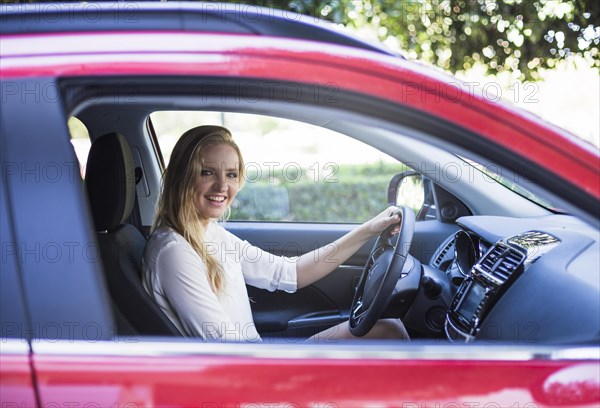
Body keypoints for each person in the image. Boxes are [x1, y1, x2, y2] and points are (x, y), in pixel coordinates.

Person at [142, 125, 409, 342]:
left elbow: (289, 273)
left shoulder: (210, 233)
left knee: (389, 329)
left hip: (254, 363)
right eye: (207, 172)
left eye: (232, 174)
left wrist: (368, 230)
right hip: (249, 381)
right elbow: (224, 348)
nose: (222, 185)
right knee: (389, 333)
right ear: (182, 176)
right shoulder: (174, 252)